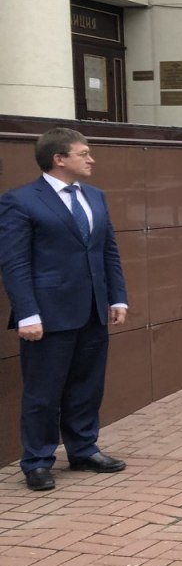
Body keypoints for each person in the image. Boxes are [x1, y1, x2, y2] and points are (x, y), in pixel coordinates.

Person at [0, 128, 129, 492]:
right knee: (43, 392)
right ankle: (38, 462)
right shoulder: (21, 201)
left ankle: (83, 449)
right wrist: (27, 313)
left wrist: (117, 297)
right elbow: (14, 262)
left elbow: (108, 251)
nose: (91, 159)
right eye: (83, 153)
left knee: (87, 386)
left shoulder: (95, 197)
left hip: (92, 310)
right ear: (59, 158)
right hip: (48, 315)